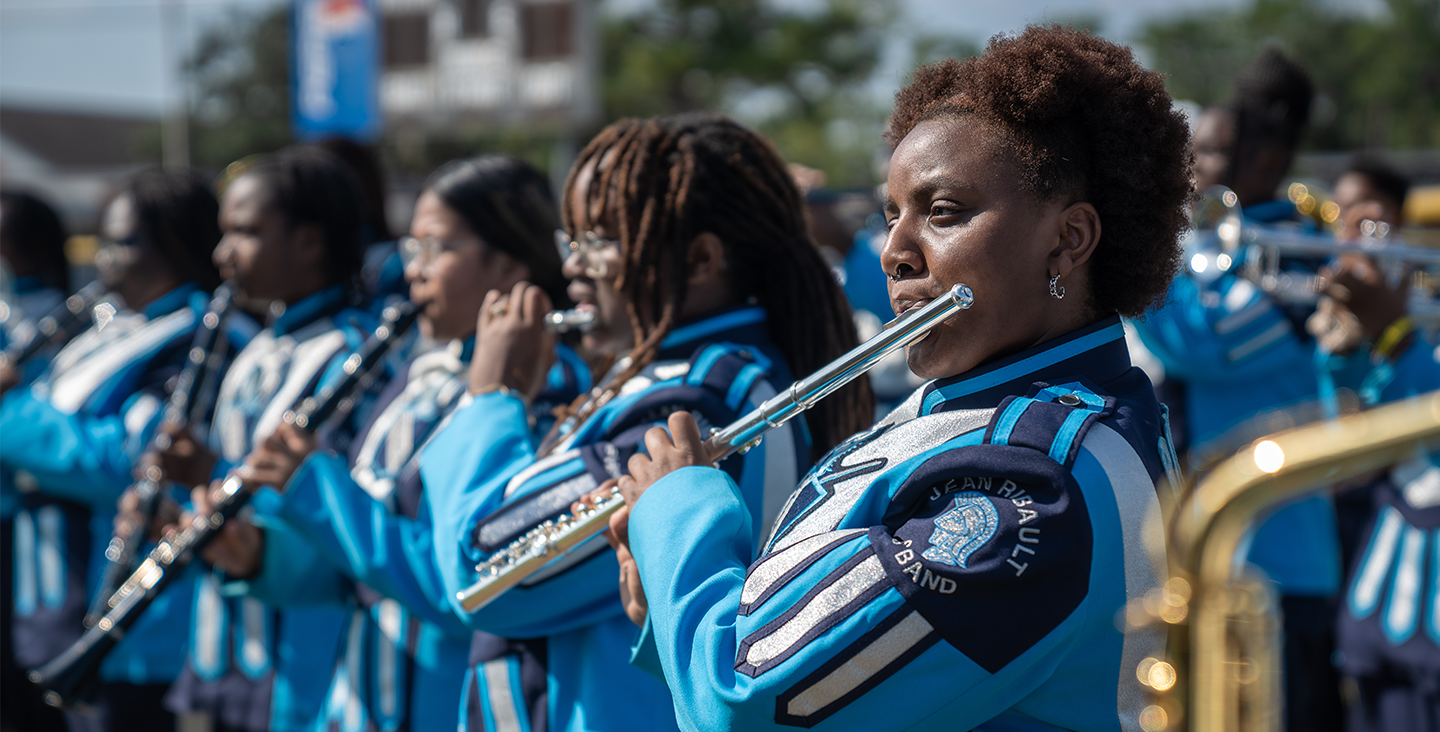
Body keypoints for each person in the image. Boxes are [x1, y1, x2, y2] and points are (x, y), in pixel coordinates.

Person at [604, 26, 1192, 730]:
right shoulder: (981, 409)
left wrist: (680, 512)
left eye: (943, 213)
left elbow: (748, 701)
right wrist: (673, 603)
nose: (894, 251)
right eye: (892, 216)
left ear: (1068, 241)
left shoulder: (1038, 481)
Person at [421, 112, 873, 731]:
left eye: (599, 240)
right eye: (569, 241)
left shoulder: (696, 402)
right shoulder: (684, 377)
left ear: (700, 259)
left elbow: (483, 574)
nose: (573, 266)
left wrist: (491, 398)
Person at [196, 155, 587, 732]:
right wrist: (258, 556)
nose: (414, 273)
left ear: (509, 262)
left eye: (437, 249)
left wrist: (314, 488)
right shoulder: (418, 376)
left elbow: (470, 582)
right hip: (357, 703)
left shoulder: (550, 390)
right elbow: (356, 573)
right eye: (410, 250)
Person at [148, 146, 376, 732]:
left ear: (309, 241)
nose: (222, 255)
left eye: (246, 232)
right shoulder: (259, 346)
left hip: (303, 646)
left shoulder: (355, 354)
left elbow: (341, 500)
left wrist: (211, 472)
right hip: (228, 645)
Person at [1, 169, 237, 731]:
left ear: (178, 244)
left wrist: (9, 410)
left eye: (124, 242)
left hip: (134, 629)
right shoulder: (108, 331)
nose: (105, 260)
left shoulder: (195, 336)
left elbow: (124, 459)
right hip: (51, 606)